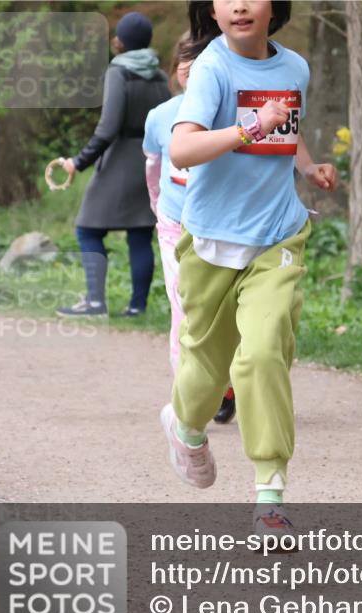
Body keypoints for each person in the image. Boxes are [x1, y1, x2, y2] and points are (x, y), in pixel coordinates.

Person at [162, 0, 337, 537]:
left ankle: (270, 494)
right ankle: (186, 428)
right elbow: (182, 149)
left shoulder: (295, 67)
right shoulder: (212, 68)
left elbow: (287, 126)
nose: (240, 4)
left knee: (263, 353)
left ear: (274, 7)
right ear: (211, 10)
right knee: (204, 376)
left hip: (277, 236)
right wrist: (248, 129)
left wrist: (308, 166)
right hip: (212, 241)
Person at [142, 32, 236, 424]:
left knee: (224, 310)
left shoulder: (231, 114)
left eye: (202, 67)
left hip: (223, 223)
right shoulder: (160, 116)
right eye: (186, 67)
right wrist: (158, 207)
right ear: (175, 72)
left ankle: (224, 385)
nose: (193, 73)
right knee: (184, 308)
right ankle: (188, 392)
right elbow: (152, 167)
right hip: (175, 224)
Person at [57, 12, 171, 317]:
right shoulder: (159, 75)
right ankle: (137, 307)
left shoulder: (118, 72)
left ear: (121, 41)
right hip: (152, 161)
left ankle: (95, 302)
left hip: (120, 159)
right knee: (140, 234)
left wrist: (78, 162)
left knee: (87, 229)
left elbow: (108, 128)